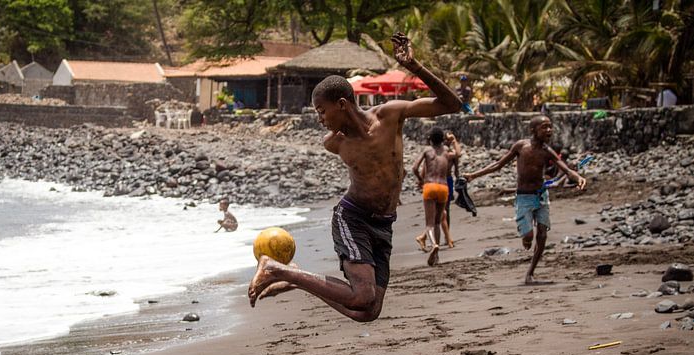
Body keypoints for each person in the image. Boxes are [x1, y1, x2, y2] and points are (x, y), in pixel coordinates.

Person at [247, 32, 461, 322]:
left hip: (385, 224)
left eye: (322, 111)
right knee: (362, 296)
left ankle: (295, 276)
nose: (320, 119)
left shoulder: (390, 115)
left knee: (367, 312)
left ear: (343, 104)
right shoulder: (334, 142)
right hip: (353, 218)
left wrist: (414, 66)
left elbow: (452, 104)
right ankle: (276, 268)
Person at [463, 115, 587, 285]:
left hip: (541, 196)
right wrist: (473, 175)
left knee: (542, 235)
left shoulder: (547, 151)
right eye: (544, 127)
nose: (549, 130)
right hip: (524, 197)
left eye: (550, 127)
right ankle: (526, 236)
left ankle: (530, 274)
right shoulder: (521, 147)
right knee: (529, 235)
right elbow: (498, 165)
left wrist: (578, 177)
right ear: (533, 130)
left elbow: (565, 169)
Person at [412, 128, 460, 264]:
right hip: (444, 188)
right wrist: (454, 140)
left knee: (429, 223)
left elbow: (415, 167)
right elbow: (457, 154)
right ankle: (437, 256)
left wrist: (420, 180)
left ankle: (434, 245)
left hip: (430, 186)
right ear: (442, 140)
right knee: (438, 222)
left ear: (431, 139)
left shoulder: (427, 151)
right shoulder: (446, 151)